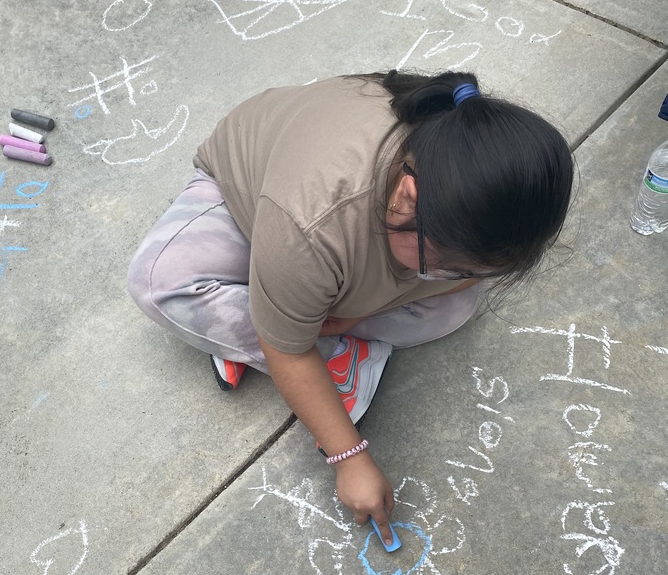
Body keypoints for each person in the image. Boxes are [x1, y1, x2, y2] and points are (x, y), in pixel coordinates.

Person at [127, 70, 574, 545]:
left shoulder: (466, 193)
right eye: (444, 263)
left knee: (456, 307)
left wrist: (357, 312)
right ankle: (318, 343)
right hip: (243, 205)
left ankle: (311, 329)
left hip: (324, 256)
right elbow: (288, 351)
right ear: (407, 198)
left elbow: (456, 279)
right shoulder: (311, 222)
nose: (450, 276)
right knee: (161, 282)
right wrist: (350, 457)